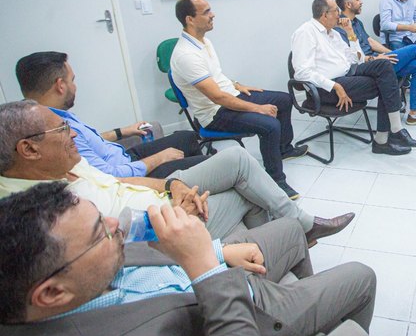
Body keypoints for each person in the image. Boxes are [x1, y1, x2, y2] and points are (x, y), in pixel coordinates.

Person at [0, 182, 376, 336]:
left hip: (217, 271)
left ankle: (309, 313)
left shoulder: (77, 268)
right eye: (101, 232)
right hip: (241, 313)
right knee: (361, 277)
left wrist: (216, 253)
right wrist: (208, 270)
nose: (116, 225)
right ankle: (297, 325)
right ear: (51, 293)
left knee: (292, 229)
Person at [0, 100, 354, 244]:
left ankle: (295, 238)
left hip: (163, 200)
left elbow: (119, 181)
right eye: (62, 131)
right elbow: (112, 244)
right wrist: (167, 215)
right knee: (251, 197)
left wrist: (172, 184)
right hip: (159, 233)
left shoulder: (63, 162)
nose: (73, 134)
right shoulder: (27, 209)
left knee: (239, 161)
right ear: (28, 148)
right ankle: (296, 240)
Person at [170, 0, 306, 199]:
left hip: (229, 96)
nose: (212, 14)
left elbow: (215, 77)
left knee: (284, 100)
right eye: (206, 12)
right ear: (190, 19)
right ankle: (276, 181)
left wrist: (236, 85)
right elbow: (217, 98)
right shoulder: (186, 55)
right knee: (270, 125)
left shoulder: (203, 42)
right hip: (215, 114)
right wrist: (258, 108)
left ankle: (284, 150)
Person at [15, 51, 209, 179]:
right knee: (210, 164)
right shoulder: (56, 130)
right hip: (132, 175)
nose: (75, 86)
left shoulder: (48, 114)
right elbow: (109, 176)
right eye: (72, 80)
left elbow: (88, 142)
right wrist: (160, 158)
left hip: (124, 156)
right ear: (60, 85)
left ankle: (198, 185)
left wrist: (121, 131)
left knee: (188, 138)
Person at [291, 0, 416, 155]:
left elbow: (356, 58)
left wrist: (350, 32)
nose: (340, 15)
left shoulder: (333, 33)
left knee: (384, 65)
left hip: (347, 74)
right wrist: (334, 86)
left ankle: (393, 132)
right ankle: (386, 137)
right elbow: (301, 72)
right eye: (336, 11)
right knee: (386, 82)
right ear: (324, 15)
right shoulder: (305, 33)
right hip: (327, 88)